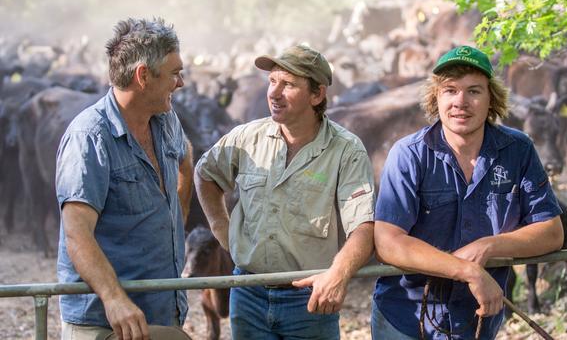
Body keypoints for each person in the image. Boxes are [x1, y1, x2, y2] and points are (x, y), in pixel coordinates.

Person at [372, 45, 564, 339]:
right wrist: (468, 270)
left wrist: (488, 245)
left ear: (491, 99)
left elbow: (551, 231)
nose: (461, 102)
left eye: (474, 91)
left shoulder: (518, 150)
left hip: (476, 320)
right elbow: (388, 242)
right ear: (436, 97)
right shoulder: (409, 155)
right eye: (450, 90)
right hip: (406, 317)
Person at [195, 44, 375, 339]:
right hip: (248, 292)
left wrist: (338, 274)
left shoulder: (346, 150)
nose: (274, 93)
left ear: (317, 95)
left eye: (288, 84)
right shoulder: (246, 138)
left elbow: (363, 228)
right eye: (272, 81)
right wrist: (220, 226)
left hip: (308, 299)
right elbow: (206, 174)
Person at [56, 18, 193, 340]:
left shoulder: (166, 119)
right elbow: (77, 234)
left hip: (162, 306)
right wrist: (114, 298)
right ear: (143, 75)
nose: (181, 83)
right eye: (174, 73)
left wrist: (178, 217)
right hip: (107, 319)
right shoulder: (89, 137)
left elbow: (185, 155)